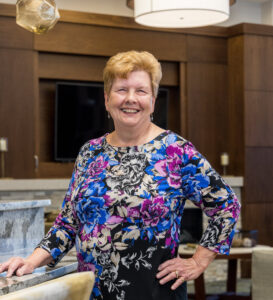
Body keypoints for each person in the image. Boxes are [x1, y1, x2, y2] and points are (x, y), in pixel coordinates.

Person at [0, 50, 240, 300]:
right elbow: (68, 223)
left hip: (154, 292)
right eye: (122, 89)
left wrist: (199, 261)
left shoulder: (176, 151)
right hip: (94, 292)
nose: (131, 98)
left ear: (153, 100)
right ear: (106, 99)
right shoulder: (90, 152)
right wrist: (31, 261)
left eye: (141, 91)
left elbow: (226, 205)